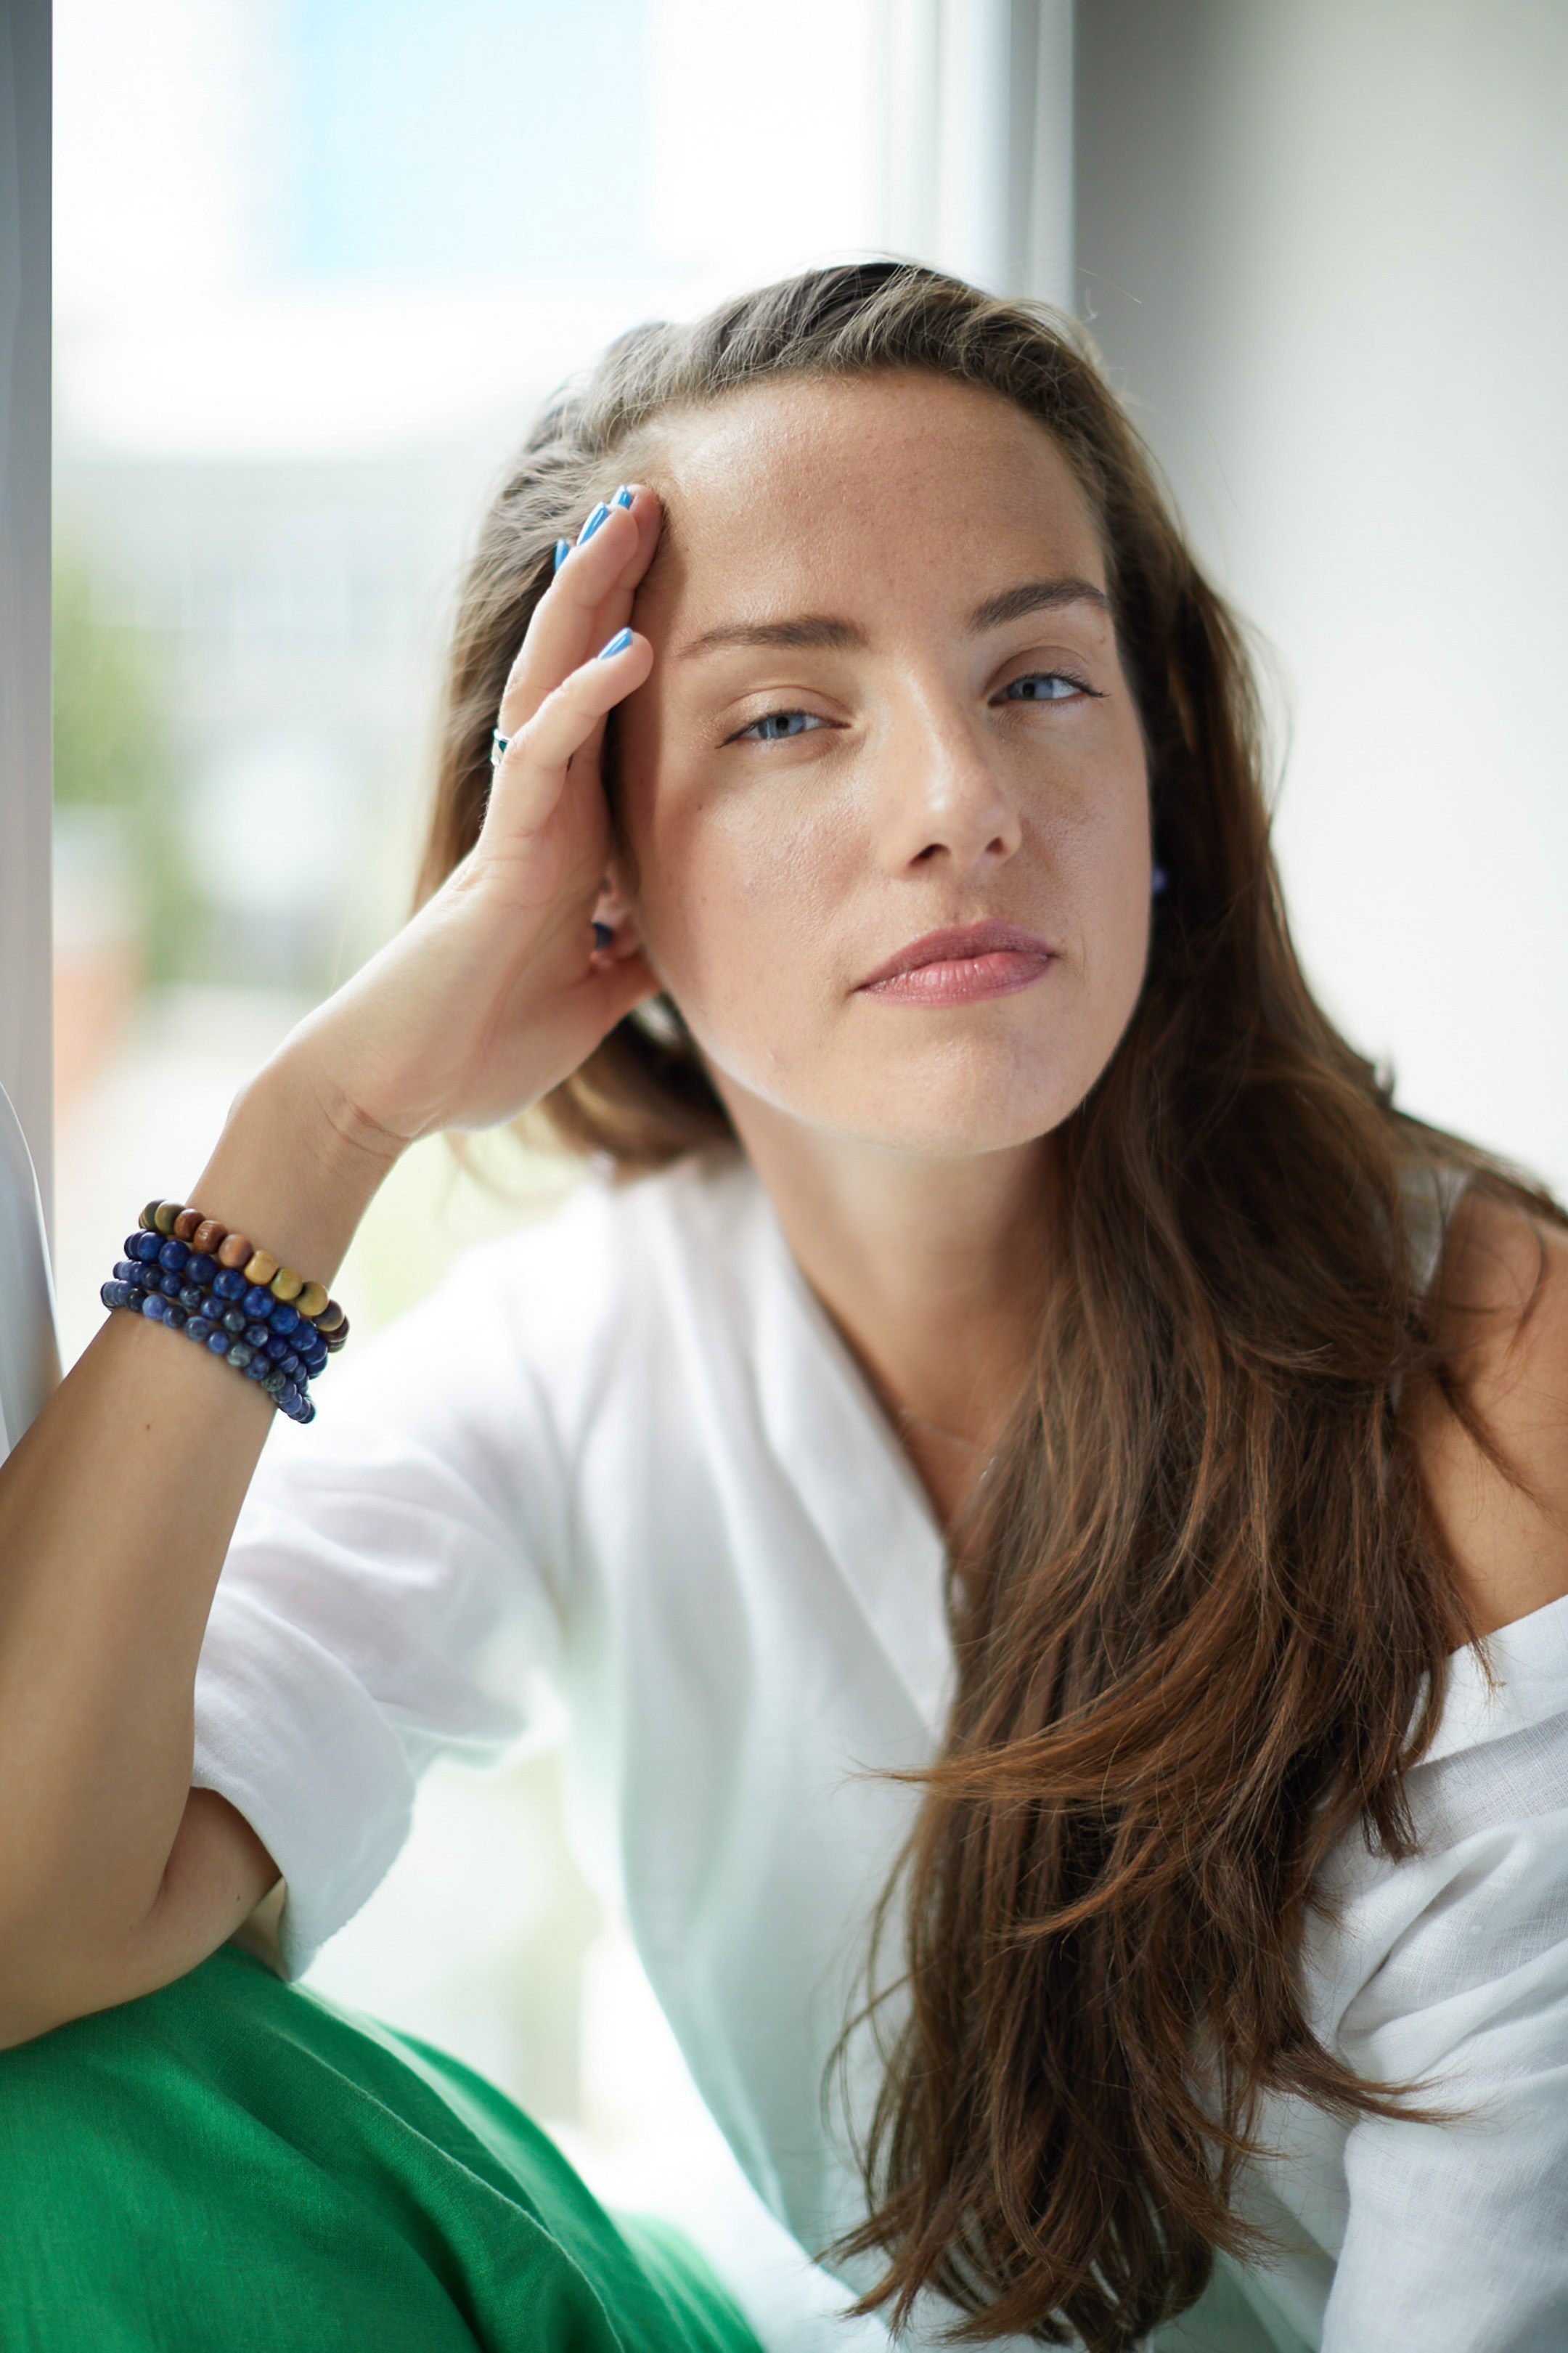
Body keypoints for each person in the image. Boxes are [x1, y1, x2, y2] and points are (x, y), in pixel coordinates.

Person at [1, 262, 1565, 2353]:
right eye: (786, 717)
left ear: (1164, 777)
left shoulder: (1485, 1358)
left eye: (1040, 679)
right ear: (591, 855)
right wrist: (324, 1118)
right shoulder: (583, 1346)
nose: (961, 799)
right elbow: (20, 1914)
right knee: (61, 2105)